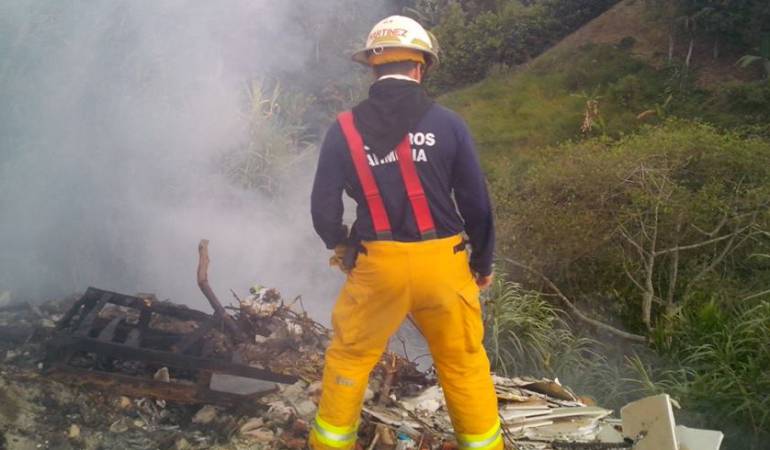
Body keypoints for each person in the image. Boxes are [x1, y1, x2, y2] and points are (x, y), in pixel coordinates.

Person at [309, 15, 501, 450]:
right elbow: (476, 204)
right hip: (444, 267)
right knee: (463, 364)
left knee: (350, 359)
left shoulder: (343, 130)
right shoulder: (449, 124)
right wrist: (483, 262)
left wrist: (340, 243)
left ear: (373, 69)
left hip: (378, 267)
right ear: (419, 67)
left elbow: (323, 207)